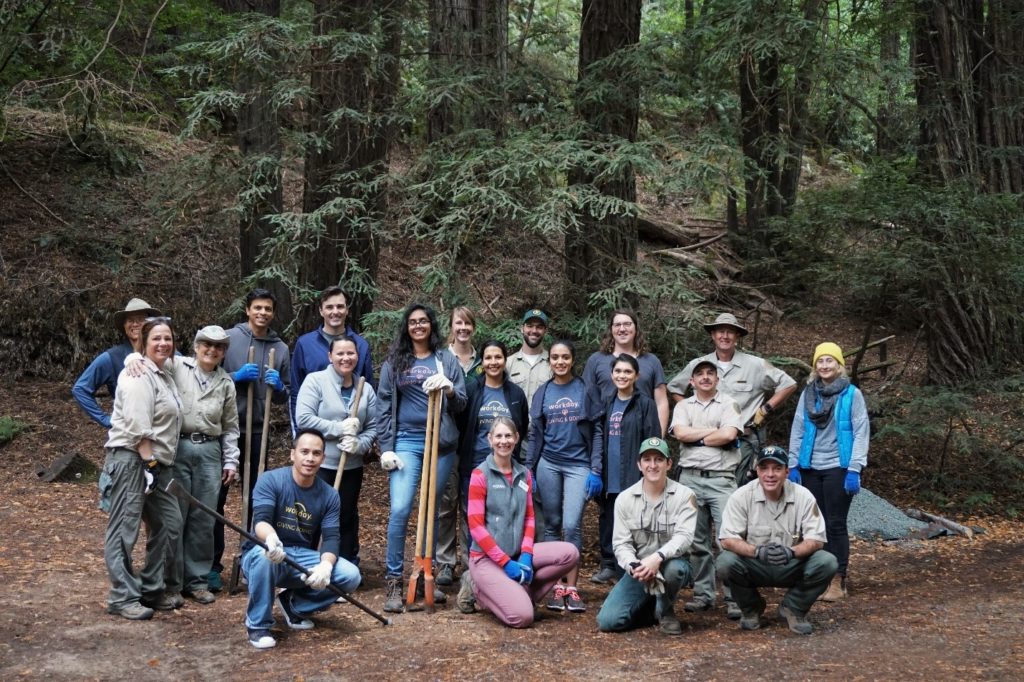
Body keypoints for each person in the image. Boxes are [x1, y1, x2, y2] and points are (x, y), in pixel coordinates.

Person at [376, 303, 467, 612]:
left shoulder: (445, 360)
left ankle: (425, 573)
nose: (418, 326)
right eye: (413, 322)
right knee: (401, 508)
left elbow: (462, 404)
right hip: (406, 442)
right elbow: (384, 405)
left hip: (440, 445)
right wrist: (385, 446)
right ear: (407, 327)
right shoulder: (394, 363)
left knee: (431, 510)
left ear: (431, 326)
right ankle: (394, 582)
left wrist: (450, 390)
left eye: (423, 321)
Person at [241, 429, 361, 649]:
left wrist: (325, 565)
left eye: (316, 453)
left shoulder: (329, 494)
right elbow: (261, 520)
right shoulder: (271, 480)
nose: (310, 458)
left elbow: (332, 537)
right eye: (304, 452)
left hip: (300, 557)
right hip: (263, 552)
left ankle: (294, 605)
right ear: (292, 454)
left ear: (323, 458)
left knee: (350, 575)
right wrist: (271, 539)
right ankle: (258, 625)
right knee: (263, 556)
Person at [101, 317, 183, 620]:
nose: (163, 343)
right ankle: (122, 597)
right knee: (124, 529)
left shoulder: (164, 372)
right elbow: (137, 429)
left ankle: (151, 589)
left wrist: (153, 465)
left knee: (170, 523)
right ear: (144, 343)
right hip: (131, 460)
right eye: (156, 339)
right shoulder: (137, 376)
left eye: (168, 338)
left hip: (153, 463)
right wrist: (149, 464)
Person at [211, 288, 291, 591]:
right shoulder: (229, 339)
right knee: (217, 497)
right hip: (227, 429)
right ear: (247, 310)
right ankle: (212, 564)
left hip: (259, 429)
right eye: (257, 307)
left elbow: (285, 395)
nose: (263, 313)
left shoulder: (280, 347)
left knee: (256, 499)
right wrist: (234, 377)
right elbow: (208, 375)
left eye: (268, 308)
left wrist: (279, 388)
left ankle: (251, 557)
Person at [466, 418, 579, 628]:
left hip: (517, 554)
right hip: (487, 560)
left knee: (570, 554)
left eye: (508, 435)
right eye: (498, 436)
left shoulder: (524, 474)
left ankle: (520, 593)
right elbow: (476, 527)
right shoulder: (480, 475)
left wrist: (526, 555)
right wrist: (505, 563)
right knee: (523, 618)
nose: (503, 441)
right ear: (490, 440)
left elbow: (529, 517)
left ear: (517, 438)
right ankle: (480, 593)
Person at [717, 445, 838, 635]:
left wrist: (792, 552)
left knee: (827, 561)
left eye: (777, 468)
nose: (770, 474)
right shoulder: (741, 496)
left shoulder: (803, 496)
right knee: (725, 562)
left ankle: (794, 608)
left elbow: (817, 539)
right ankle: (751, 609)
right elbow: (727, 539)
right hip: (756, 563)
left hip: (791, 563)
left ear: (787, 472)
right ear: (757, 471)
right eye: (764, 468)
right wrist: (757, 551)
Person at [667, 312, 797, 487]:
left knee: (741, 490)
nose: (725, 336)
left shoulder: (755, 365)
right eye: (720, 331)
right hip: (704, 441)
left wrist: (765, 409)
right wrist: (689, 408)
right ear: (713, 335)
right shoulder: (699, 365)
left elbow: (788, 384)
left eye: (730, 332)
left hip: (743, 440)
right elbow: (674, 387)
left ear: (737, 336)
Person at [165, 326, 240, 605]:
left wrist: (231, 460)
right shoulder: (177, 366)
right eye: (207, 344)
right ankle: (171, 582)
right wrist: (132, 360)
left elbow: (231, 426)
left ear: (224, 353)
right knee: (175, 516)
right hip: (177, 447)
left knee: (203, 517)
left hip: (210, 451)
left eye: (219, 347)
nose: (212, 350)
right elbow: (150, 364)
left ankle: (196, 581)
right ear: (196, 346)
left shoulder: (226, 383)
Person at [788, 342, 868, 602]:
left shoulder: (851, 394)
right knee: (814, 526)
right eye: (820, 361)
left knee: (834, 524)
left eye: (829, 360)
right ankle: (819, 578)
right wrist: (793, 464)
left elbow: (860, 432)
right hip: (810, 467)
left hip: (838, 467)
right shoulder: (808, 394)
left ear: (839, 365)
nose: (824, 365)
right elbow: (798, 428)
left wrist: (855, 468)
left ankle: (838, 581)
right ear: (815, 366)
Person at [526, 339, 601, 613]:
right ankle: (555, 586)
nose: (560, 362)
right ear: (550, 361)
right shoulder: (543, 392)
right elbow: (536, 434)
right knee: (551, 524)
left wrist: (595, 469)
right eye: (555, 357)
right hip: (549, 464)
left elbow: (597, 431)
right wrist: (530, 467)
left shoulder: (585, 390)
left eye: (565, 357)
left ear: (572, 360)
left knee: (571, 525)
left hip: (578, 465)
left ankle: (573, 586)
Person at [596, 437, 698, 635]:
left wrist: (657, 558)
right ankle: (651, 608)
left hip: (671, 563)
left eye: (659, 460)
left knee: (675, 570)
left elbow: (684, 538)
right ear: (639, 464)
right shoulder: (624, 499)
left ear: (669, 463)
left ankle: (666, 610)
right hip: (640, 570)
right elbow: (621, 544)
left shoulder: (685, 496)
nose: (653, 465)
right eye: (647, 460)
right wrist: (633, 566)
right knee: (608, 622)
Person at [455, 340, 529, 611]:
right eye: (488, 357)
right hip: (474, 465)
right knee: (473, 524)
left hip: (508, 468)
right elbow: (462, 424)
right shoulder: (473, 389)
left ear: (505, 360)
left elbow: (522, 425)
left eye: (498, 357)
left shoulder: (516, 394)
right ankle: (470, 580)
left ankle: (502, 575)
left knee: (504, 520)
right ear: (482, 362)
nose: (494, 362)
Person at [670, 359, 745, 619]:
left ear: (717, 379)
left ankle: (735, 598)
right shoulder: (682, 406)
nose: (704, 377)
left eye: (709, 374)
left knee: (728, 539)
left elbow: (728, 436)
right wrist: (711, 432)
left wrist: (697, 437)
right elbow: (679, 433)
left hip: (722, 479)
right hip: (690, 479)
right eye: (699, 374)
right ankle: (703, 595)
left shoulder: (729, 404)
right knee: (697, 542)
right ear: (691, 381)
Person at [294, 335, 379, 566]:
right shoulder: (315, 381)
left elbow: (372, 426)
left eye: (350, 353)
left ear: (357, 356)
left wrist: (359, 444)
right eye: (340, 353)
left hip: (351, 465)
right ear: (330, 356)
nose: (345, 358)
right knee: (311, 515)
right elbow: (303, 418)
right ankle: (306, 565)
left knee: (345, 516)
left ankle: (343, 568)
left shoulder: (366, 389)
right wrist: (338, 429)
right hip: (318, 465)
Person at [590, 353, 662, 586]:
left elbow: (652, 441)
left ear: (636, 376)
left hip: (633, 476)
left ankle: (635, 573)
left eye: (627, 372)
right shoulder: (607, 401)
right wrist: (596, 469)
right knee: (610, 522)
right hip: (609, 474)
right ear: (612, 375)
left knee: (634, 526)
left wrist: (649, 473)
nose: (622, 376)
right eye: (618, 371)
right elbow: (599, 436)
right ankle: (611, 565)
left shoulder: (645, 404)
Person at [435, 306, 483, 588]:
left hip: (475, 441)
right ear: (451, 326)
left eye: (467, 323)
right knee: (446, 503)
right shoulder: (441, 359)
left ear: (473, 327)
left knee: (471, 504)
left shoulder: (482, 360)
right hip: (447, 439)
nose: (463, 328)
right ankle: (444, 561)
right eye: (458, 323)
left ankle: (470, 561)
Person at [289, 286, 374, 427]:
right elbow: (295, 391)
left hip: (352, 431)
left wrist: (367, 435)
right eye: (329, 307)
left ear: (347, 310)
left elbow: (369, 389)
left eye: (340, 306)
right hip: (314, 432)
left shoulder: (361, 345)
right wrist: (299, 434)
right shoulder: (305, 344)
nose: (335, 312)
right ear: (321, 311)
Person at [73, 298, 161, 428]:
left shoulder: (166, 352)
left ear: (151, 324)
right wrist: (106, 420)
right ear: (125, 327)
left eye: (141, 319)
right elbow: (80, 389)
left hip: (165, 431)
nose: (135, 324)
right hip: (129, 434)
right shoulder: (112, 357)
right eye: (130, 320)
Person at [582, 309, 670, 435]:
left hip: (643, 430)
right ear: (611, 329)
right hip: (605, 432)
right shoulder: (596, 360)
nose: (622, 329)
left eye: (627, 324)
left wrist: (658, 440)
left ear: (636, 328)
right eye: (617, 325)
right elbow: (587, 399)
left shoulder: (651, 361)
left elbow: (661, 403)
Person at [506, 308, 553, 408]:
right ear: (522, 328)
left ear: (545, 331)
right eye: (530, 326)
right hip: (515, 423)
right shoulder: (508, 364)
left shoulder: (554, 363)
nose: (534, 331)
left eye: (539, 327)